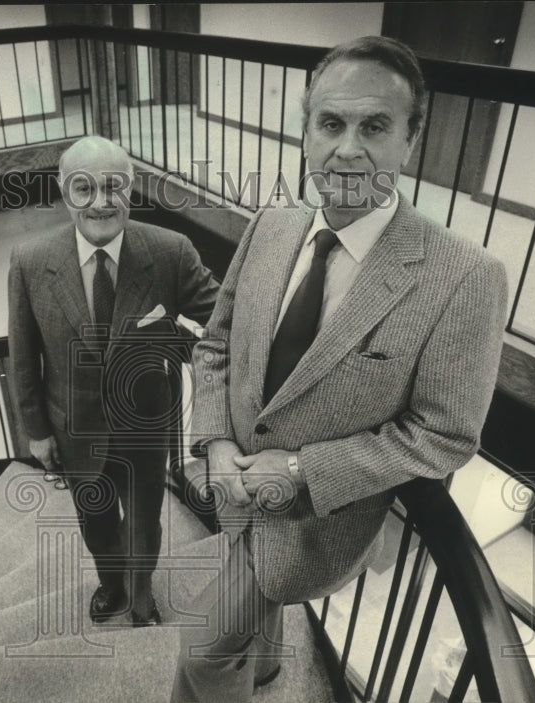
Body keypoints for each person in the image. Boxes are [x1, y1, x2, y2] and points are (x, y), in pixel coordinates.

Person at [171, 36, 508, 701]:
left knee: (203, 650)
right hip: (234, 493)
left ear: (411, 139)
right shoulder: (272, 223)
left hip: (315, 524)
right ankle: (265, 670)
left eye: (374, 126)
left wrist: (298, 471)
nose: (348, 148)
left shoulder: (464, 275)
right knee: (246, 630)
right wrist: (214, 443)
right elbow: (214, 344)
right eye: (331, 123)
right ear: (305, 134)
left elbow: (444, 433)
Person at [7, 136, 219, 627]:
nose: (100, 202)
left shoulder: (170, 251)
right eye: (84, 188)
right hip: (74, 430)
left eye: (113, 186)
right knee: (97, 520)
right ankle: (112, 585)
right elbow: (22, 354)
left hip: (147, 427)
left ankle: (142, 600)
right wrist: (36, 431)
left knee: (146, 524)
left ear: (131, 190)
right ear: (65, 194)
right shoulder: (30, 260)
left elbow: (226, 322)